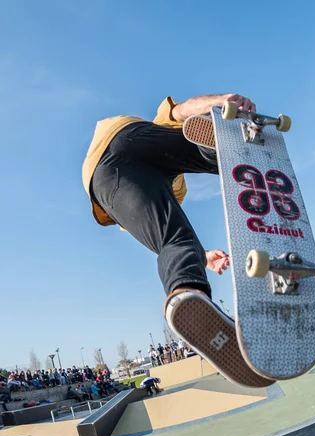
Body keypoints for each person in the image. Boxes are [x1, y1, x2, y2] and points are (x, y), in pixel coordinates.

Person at [82, 93, 271, 386]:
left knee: (176, 241)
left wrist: (201, 254)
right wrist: (220, 101)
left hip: (103, 184)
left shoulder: (171, 193)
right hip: (127, 135)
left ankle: (187, 295)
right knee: (208, 157)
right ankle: (218, 145)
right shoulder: (167, 157)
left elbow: (164, 234)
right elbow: (180, 110)